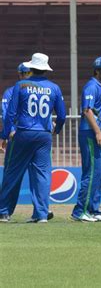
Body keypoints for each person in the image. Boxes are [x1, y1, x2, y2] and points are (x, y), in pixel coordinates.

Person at [0, 53, 66, 223]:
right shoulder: (54, 88)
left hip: (23, 133)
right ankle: (41, 214)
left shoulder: (21, 85)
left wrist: (4, 135)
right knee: (43, 175)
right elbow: (62, 115)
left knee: (13, 172)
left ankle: (4, 212)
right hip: (44, 135)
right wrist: (56, 129)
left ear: (31, 67)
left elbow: (10, 114)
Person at [71, 56, 101, 222]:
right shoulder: (91, 86)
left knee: (98, 173)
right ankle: (80, 211)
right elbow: (87, 111)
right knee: (91, 173)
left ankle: (94, 210)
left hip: (96, 132)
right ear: (97, 71)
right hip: (90, 133)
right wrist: (98, 132)